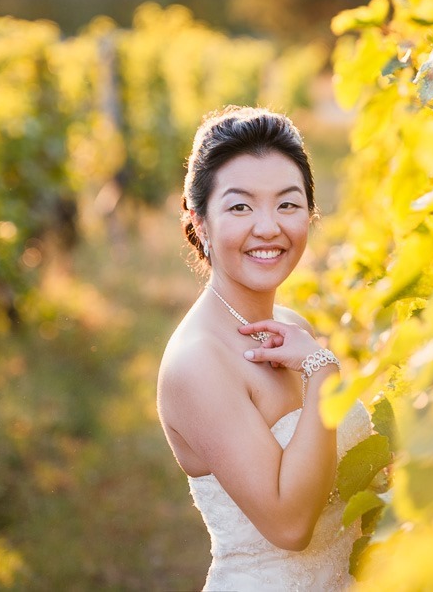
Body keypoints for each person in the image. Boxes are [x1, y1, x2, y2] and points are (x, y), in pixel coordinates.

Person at [157, 106, 372, 590]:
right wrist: (323, 374)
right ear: (199, 222)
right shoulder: (198, 362)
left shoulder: (290, 326)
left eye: (288, 204)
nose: (269, 227)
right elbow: (289, 526)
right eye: (240, 207)